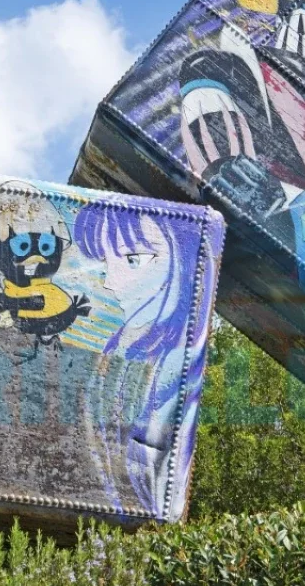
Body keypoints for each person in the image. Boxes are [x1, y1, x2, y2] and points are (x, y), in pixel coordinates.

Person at [72, 203, 211, 518]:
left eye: (133, 259)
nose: (112, 282)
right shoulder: (120, 347)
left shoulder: (177, 363)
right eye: (106, 263)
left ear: (184, 263)